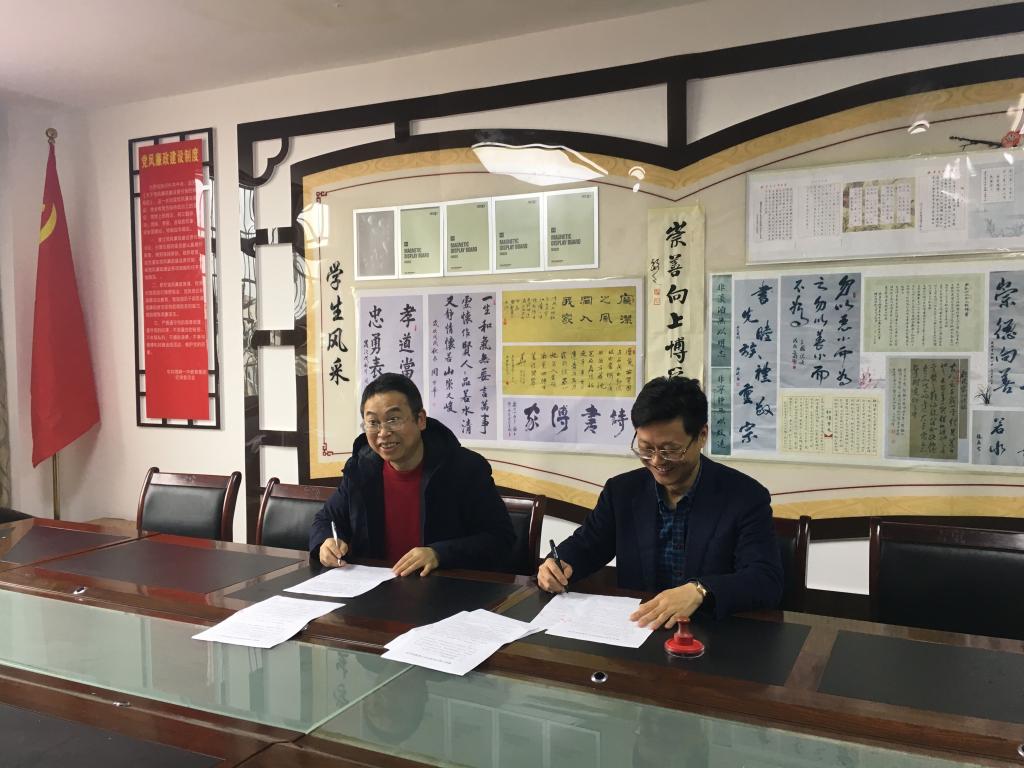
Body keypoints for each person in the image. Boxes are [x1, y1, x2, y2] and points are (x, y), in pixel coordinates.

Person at [537, 376, 782, 626]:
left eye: (670, 450)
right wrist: (556, 564)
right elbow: (588, 545)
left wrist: (700, 590)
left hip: (708, 634)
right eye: (646, 448)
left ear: (701, 436)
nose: (656, 461)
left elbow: (765, 580)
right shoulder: (622, 491)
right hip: (638, 629)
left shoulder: (744, 496)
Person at [311, 373, 514, 575]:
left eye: (393, 419)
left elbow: (501, 538)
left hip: (444, 587)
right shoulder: (361, 468)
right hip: (376, 587)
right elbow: (326, 519)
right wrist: (326, 542)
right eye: (373, 422)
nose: (383, 433)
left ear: (421, 420)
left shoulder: (464, 468)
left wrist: (439, 554)